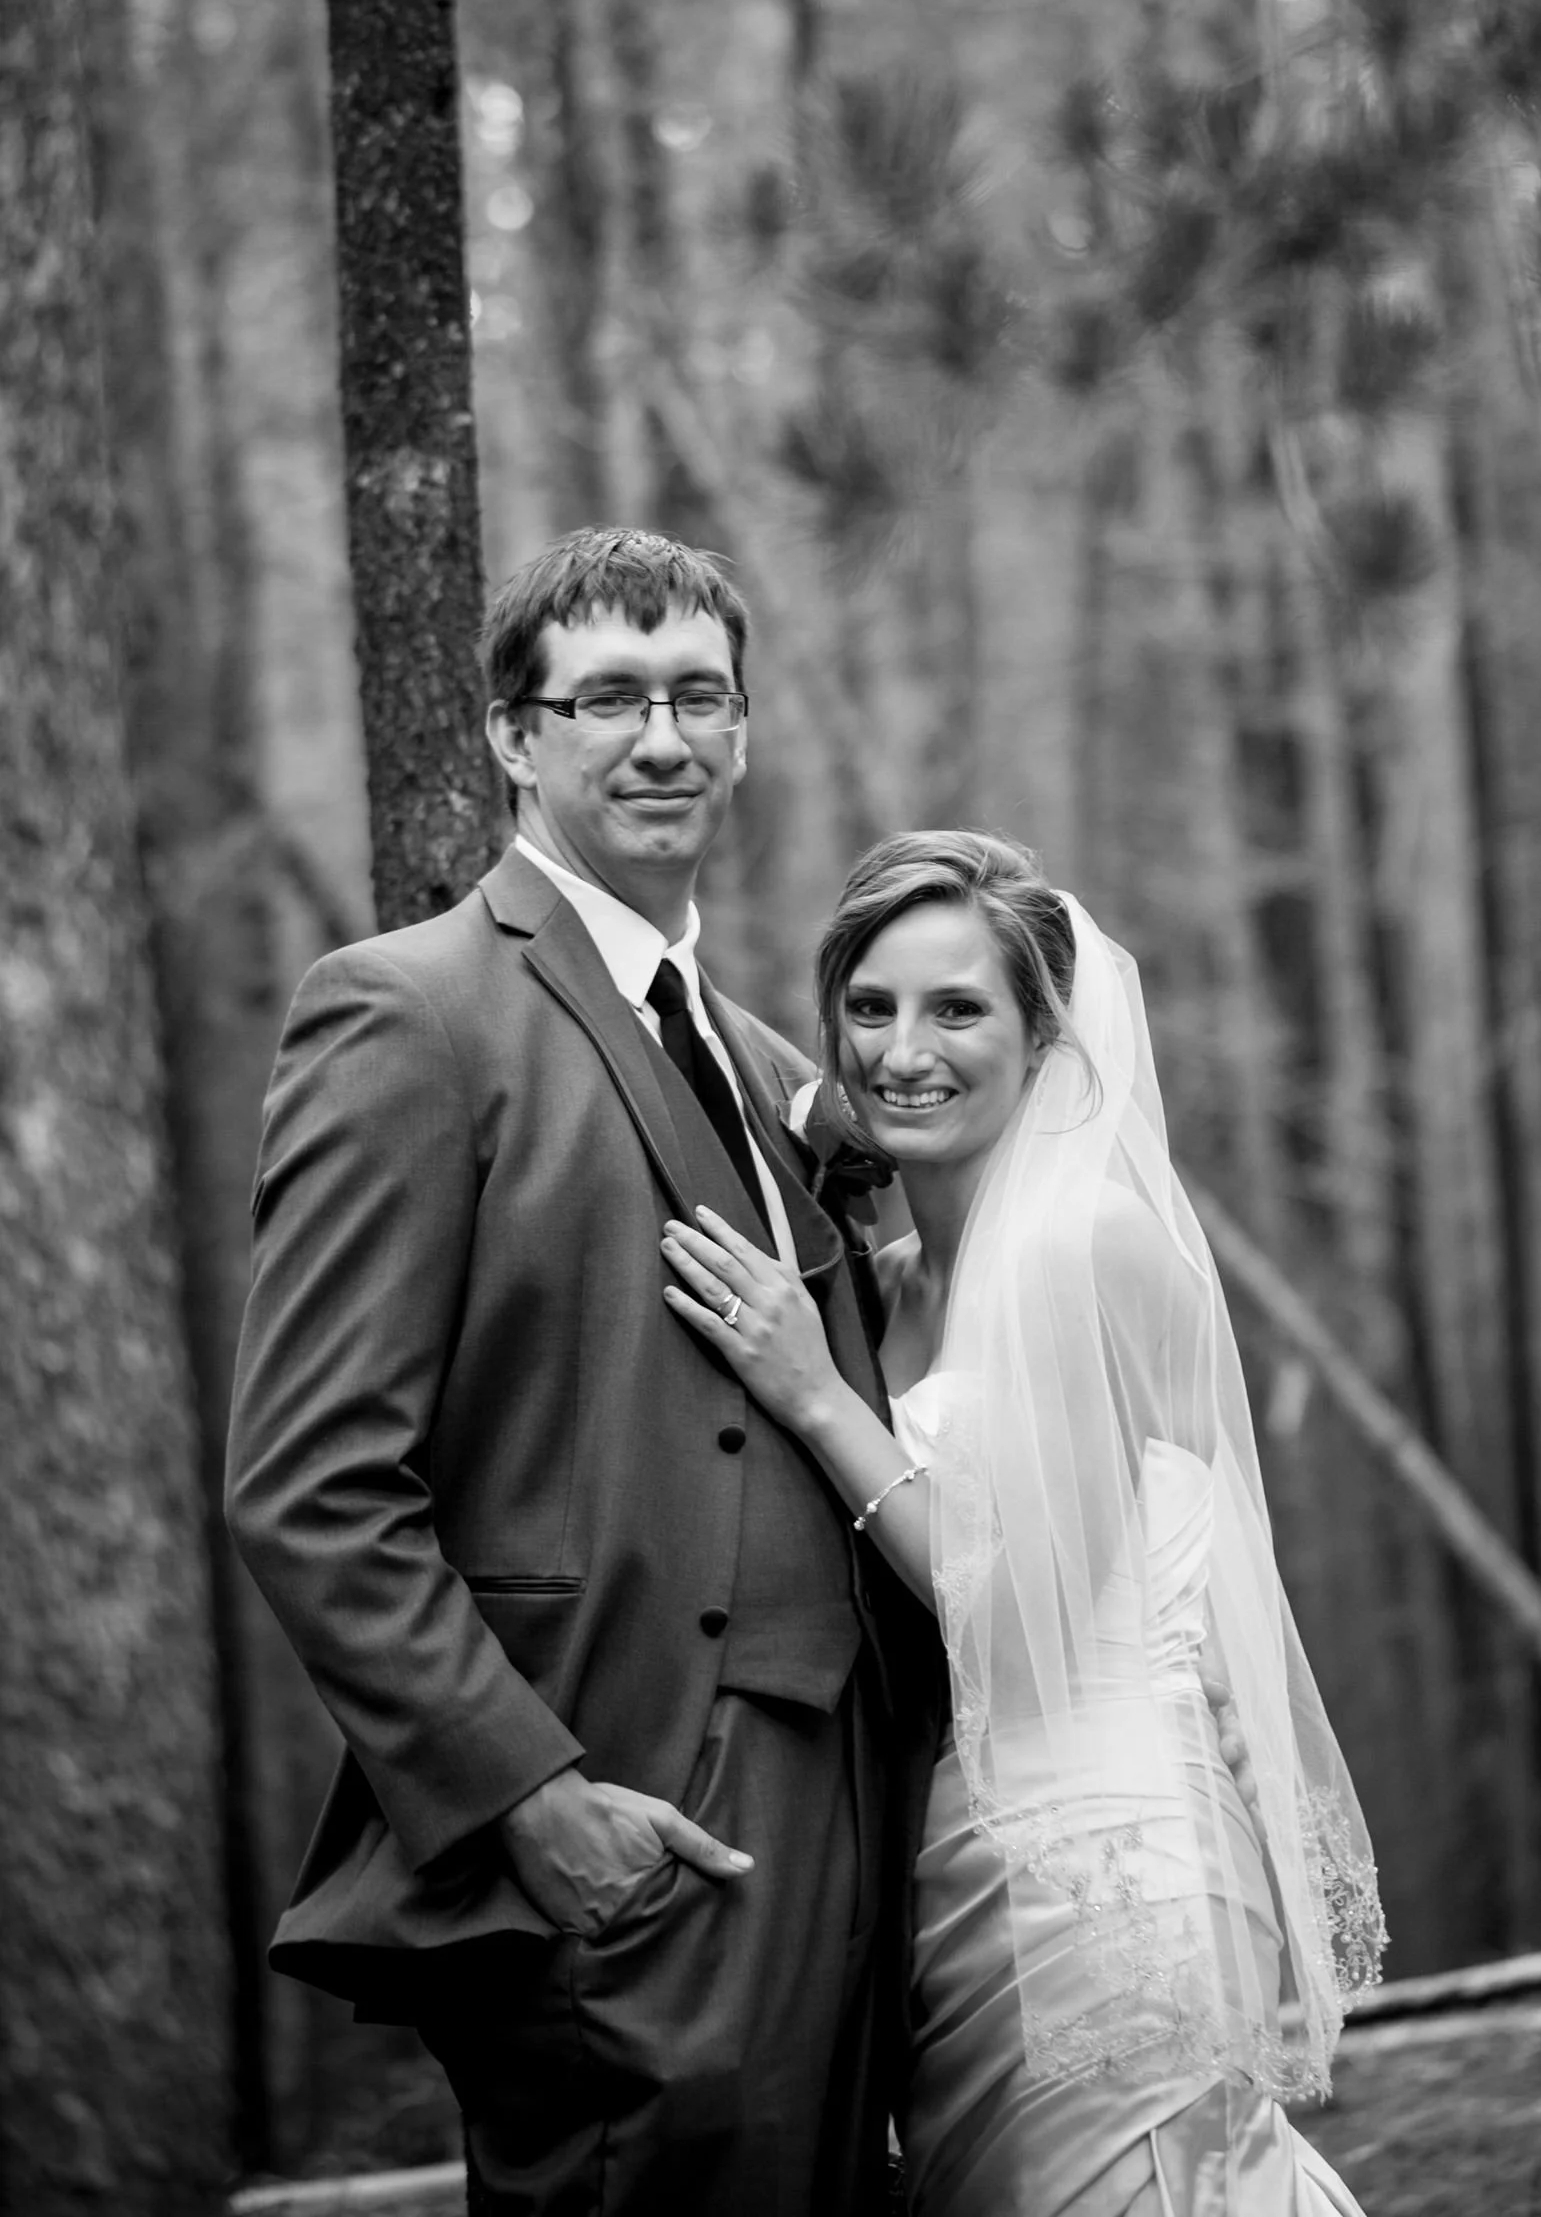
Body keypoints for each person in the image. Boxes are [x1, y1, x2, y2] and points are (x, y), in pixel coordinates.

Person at [225, 528, 930, 2217]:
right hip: (625, 1823)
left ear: (744, 729)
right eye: (609, 698)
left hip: (847, 1821)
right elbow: (311, 1488)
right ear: (512, 735)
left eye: (699, 696)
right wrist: (529, 1800)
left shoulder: (757, 1061)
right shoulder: (407, 1016)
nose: (663, 739)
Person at [661, 830, 1386, 2214]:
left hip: (1112, 1869)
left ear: (1043, 1034)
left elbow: (1010, 1611)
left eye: (957, 1009)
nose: (903, 1052)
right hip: (953, 1870)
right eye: (870, 1007)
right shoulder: (882, 1284)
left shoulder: (1085, 1246)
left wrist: (816, 1397)